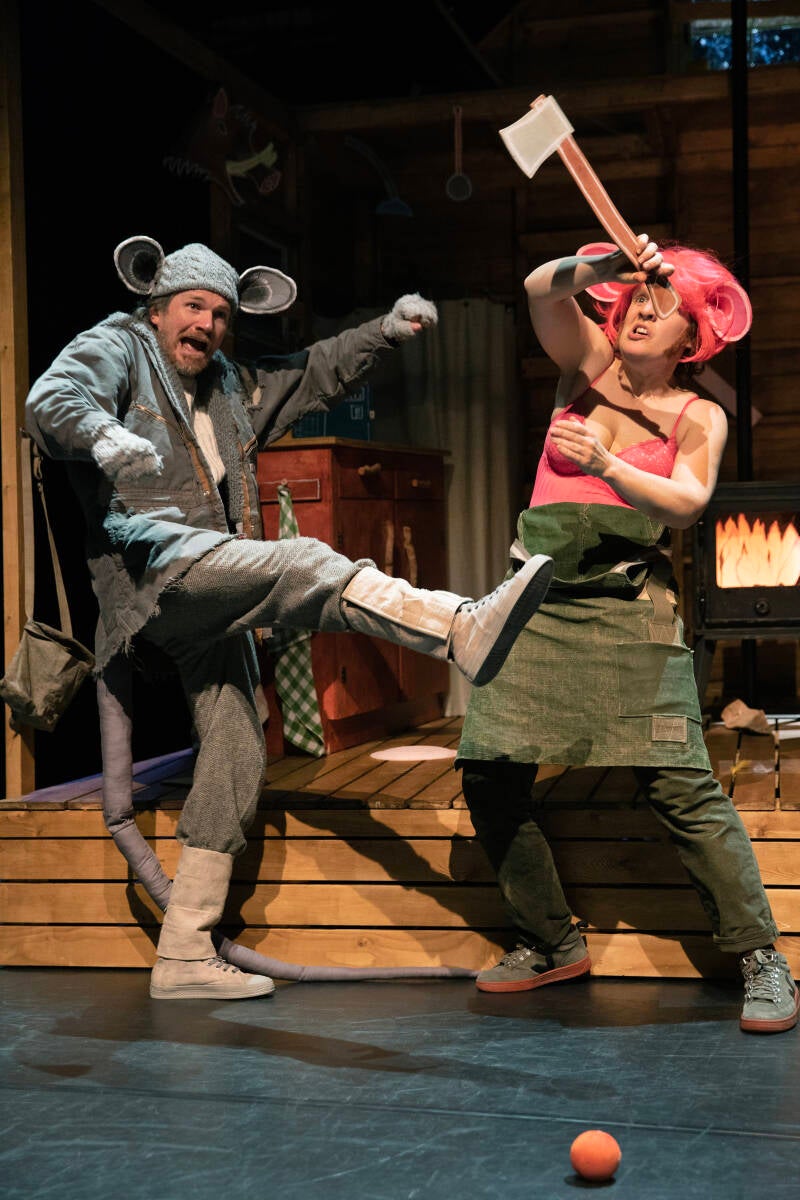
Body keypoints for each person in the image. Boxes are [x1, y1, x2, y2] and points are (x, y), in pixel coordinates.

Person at [24, 236, 553, 1001]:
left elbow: (310, 372)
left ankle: (185, 952)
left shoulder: (230, 385)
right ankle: (455, 628)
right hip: (154, 574)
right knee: (303, 562)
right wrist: (102, 433)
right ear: (158, 307)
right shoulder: (120, 346)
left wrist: (384, 331)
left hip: (214, 580)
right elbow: (53, 398)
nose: (207, 325)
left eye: (220, 314)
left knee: (239, 749)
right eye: (193, 307)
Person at [457, 233, 799, 1034]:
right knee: (489, 770)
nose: (642, 312)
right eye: (635, 299)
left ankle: (760, 957)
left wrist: (608, 465)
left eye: (662, 305)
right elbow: (539, 288)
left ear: (693, 336)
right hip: (538, 600)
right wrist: (603, 268)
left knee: (680, 783)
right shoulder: (585, 363)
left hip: (627, 603)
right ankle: (550, 940)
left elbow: (687, 504)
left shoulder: (698, 414)